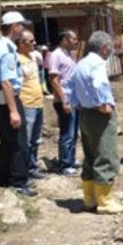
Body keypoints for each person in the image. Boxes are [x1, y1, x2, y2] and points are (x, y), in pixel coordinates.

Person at [63, 31, 123, 214]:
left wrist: (74, 103)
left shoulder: (81, 63)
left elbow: (68, 85)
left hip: (84, 114)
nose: (111, 52)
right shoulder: (97, 64)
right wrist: (102, 104)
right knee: (106, 155)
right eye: (110, 49)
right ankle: (105, 201)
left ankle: (89, 198)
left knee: (90, 155)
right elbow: (99, 84)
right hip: (99, 115)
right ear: (104, 48)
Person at [0, 12, 35, 197]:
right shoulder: (6, 49)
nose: (23, 29)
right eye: (21, 25)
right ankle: (18, 181)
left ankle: (4, 178)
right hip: (7, 99)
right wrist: (14, 110)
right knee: (18, 142)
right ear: (14, 26)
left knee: (7, 142)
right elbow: (7, 82)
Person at [48, 29, 80, 176]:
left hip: (74, 100)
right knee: (67, 132)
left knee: (73, 133)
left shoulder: (68, 55)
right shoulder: (56, 55)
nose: (76, 41)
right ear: (65, 40)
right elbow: (54, 80)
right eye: (73, 39)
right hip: (64, 100)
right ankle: (65, 164)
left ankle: (71, 159)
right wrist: (64, 100)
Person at [16, 30, 46, 181]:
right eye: (31, 41)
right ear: (21, 43)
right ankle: (24, 170)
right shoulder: (17, 59)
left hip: (38, 102)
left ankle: (32, 167)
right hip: (26, 104)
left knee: (35, 140)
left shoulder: (32, 57)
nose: (34, 43)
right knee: (26, 141)